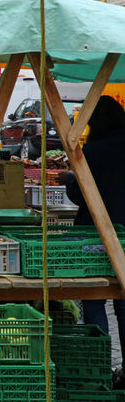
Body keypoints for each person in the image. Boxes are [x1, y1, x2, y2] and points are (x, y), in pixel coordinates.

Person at [62, 96, 125, 376]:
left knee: (94, 295)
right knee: (123, 299)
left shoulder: (93, 152)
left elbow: (78, 195)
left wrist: (69, 180)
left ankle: (99, 368)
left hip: (94, 236)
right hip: (124, 236)